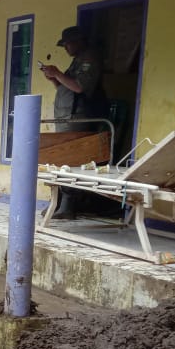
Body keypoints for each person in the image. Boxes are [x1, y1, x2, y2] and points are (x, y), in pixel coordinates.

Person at [43, 26, 108, 218]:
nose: (66, 48)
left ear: (79, 41)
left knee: (72, 160)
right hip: (67, 116)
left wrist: (57, 73)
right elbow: (66, 87)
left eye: (68, 44)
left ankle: (68, 204)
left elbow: (79, 87)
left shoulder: (90, 59)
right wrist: (53, 78)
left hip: (79, 117)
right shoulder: (77, 60)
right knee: (62, 160)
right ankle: (59, 202)